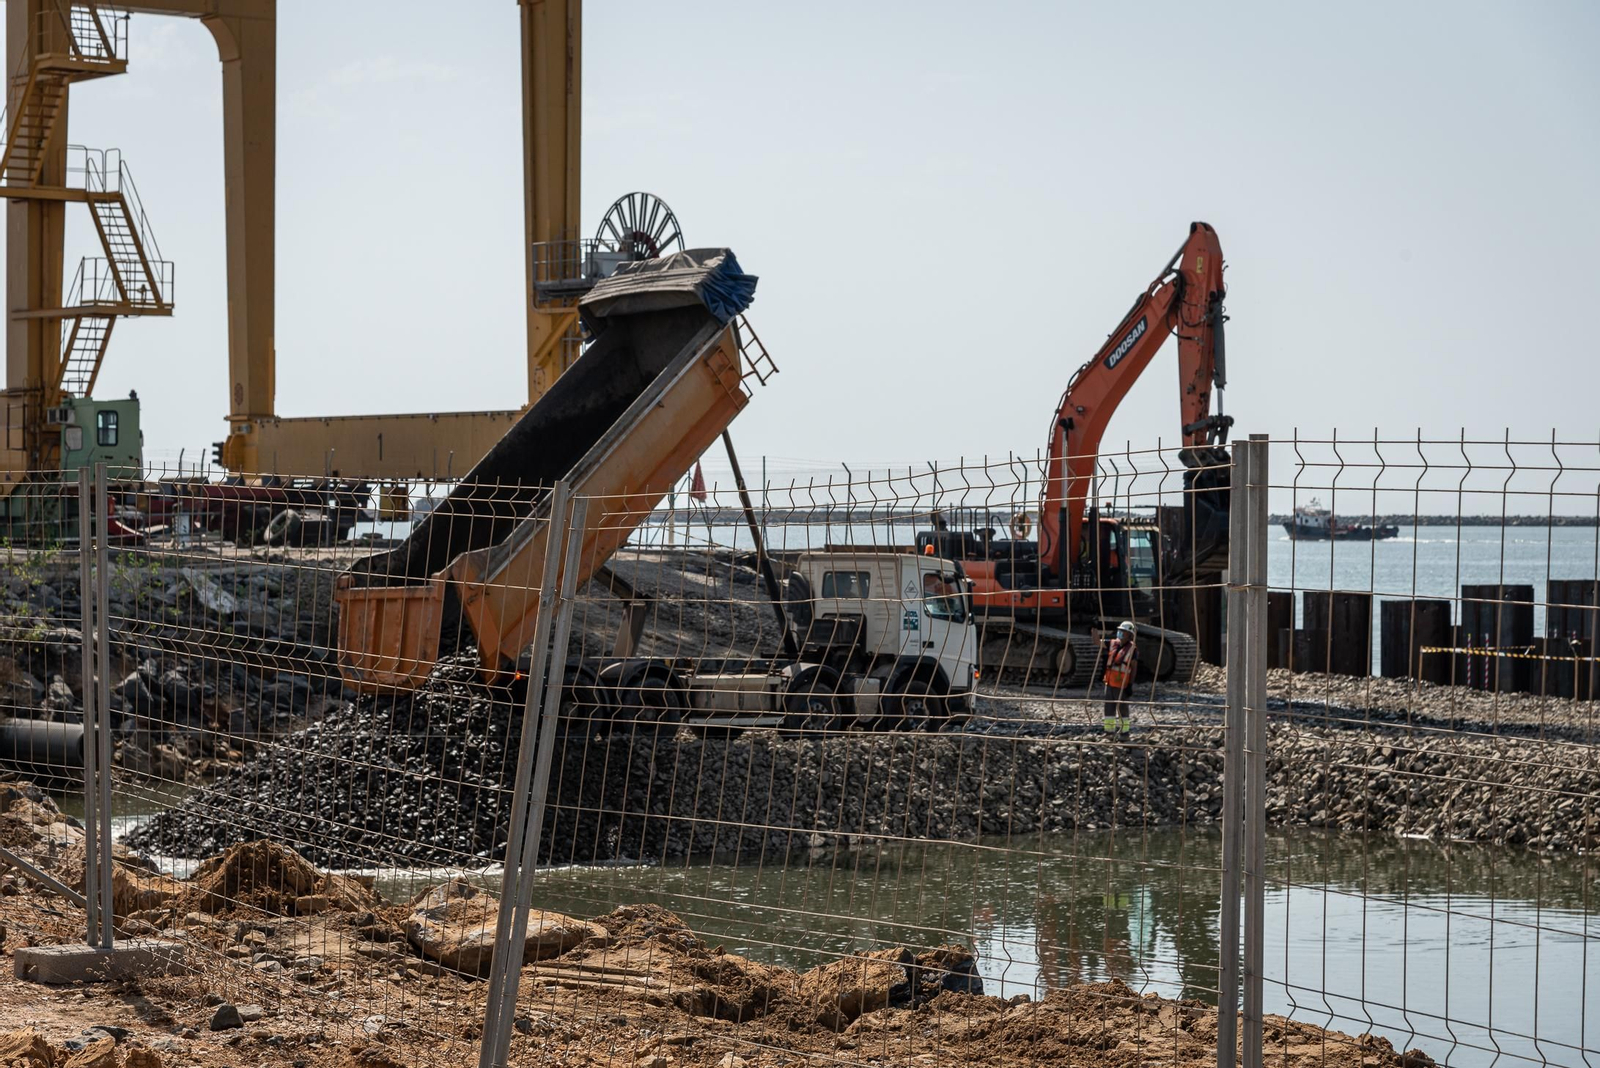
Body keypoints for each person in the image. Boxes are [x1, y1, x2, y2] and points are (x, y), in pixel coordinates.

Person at [1102, 621, 1138, 737]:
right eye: (1120, 631)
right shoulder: (1113, 644)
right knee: (1109, 708)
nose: (1120, 633)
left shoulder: (1132, 650)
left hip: (1122, 684)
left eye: (1123, 632)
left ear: (1129, 634)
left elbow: (1134, 668)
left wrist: (1130, 685)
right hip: (1110, 682)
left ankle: (1124, 732)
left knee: (1122, 708)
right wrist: (1093, 630)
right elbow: (1097, 642)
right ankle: (1109, 732)